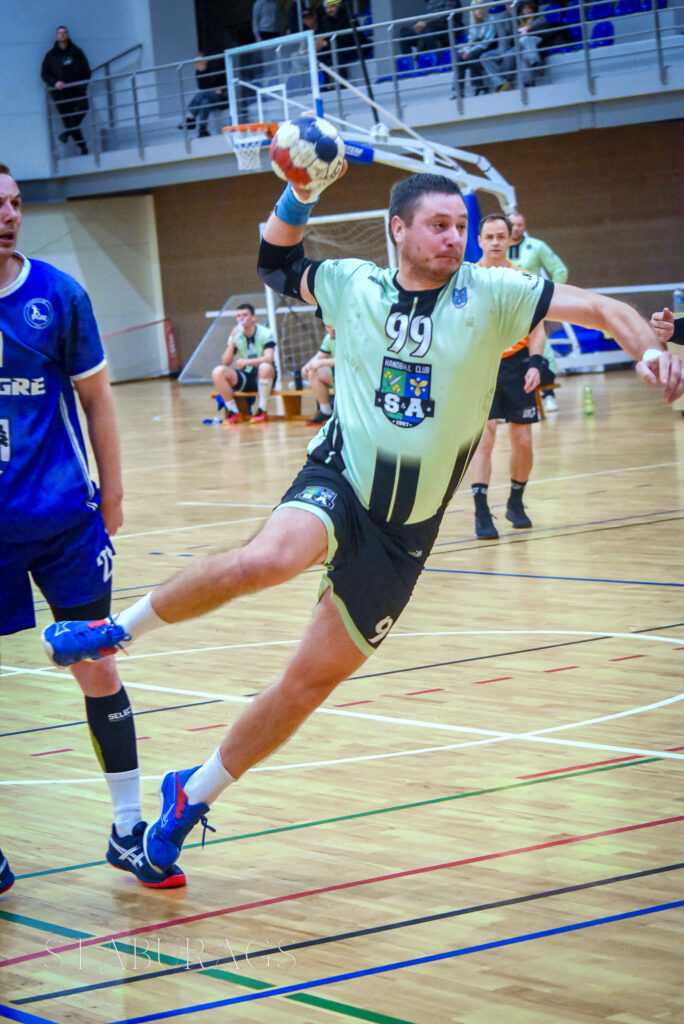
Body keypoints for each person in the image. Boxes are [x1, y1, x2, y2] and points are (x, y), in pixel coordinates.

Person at [42, 168, 684, 878]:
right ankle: (116, 630)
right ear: (398, 230)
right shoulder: (355, 285)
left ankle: (190, 797)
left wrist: (651, 351)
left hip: (404, 535)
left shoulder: (493, 293)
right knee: (269, 558)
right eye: (438, 225)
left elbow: (599, 307)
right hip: (341, 481)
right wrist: (299, 190)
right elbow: (275, 260)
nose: (454, 238)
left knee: (307, 684)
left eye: (461, 227)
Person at [0, 162, 184, 890]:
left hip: (63, 521)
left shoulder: (58, 296)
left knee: (98, 663)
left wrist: (113, 497)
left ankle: (127, 827)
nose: (9, 215)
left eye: (15, 203)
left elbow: (99, 400)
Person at [468, 213, 547, 539]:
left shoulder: (524, 279)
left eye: (501, 236)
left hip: (517, 366)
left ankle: (516, 502)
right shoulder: (467, 279)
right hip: (480, 365)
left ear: (510, 239)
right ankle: (481, 511)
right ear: (480, 241)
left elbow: (538, 327)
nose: (496, 242)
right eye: (490, 237)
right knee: (485, 436)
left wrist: (535, 363)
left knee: (523, 440)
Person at [509, 210, 568, 410]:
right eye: (512, 224)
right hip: (505, 308)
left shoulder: (536, 246)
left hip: (530, 305)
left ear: (524, 226)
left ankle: (548, 394)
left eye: (519, 224)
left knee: (541, 348)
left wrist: (548, 297)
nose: (515, 228)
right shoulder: (498, 248)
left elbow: (560, 270)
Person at [211, 303, 276, 424]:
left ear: (253, 318)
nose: (241, 318)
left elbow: (269, 358)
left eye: (245, 315)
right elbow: (225, 361)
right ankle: (233, 412)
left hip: (264, 376)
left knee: (265, 367)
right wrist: (232, 340)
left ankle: (262, 410)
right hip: (246, 376)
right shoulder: (236, 335)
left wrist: (247, 362)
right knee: (218, 371)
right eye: (238, 316)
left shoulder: (266, 333)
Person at [40, 25, 91, 155]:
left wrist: (82, 86)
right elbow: (44, 74)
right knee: (69, 120)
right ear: (56, 36)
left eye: (64, 32)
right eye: (59, 33)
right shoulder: (51, 55)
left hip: (77, 91)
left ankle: (67, 133)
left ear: (67, 35)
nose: (62, 35)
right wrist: (55, 82)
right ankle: (83, 147)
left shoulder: (77, 52)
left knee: (83, 108)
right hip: (60, 94)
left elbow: (86, 71)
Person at [179, 54, 228, 138]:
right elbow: (202, 87)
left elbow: (223, 80)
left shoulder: (214, 68)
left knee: (201, 94)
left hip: (220, 97)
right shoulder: (198, 72)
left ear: (205, 61)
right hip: (209, 98)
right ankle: (202, 130)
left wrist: (221, 88)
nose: (198, 64)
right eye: (196, 62)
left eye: (199, 61)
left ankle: (192, 117)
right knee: (205, 102)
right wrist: (202, 72)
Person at [454, 0, 497, 96]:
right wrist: (465, 50)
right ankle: (459, 91)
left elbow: (487, 41)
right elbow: (471, 40)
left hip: (489, 46)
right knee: (459, 58)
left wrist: (470, 51)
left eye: (481, 8)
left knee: (472, 56)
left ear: (485, 8)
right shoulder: (474, 22)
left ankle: (479, 86)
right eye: (476, 9)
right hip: (477, 46)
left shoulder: (492, 19)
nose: (479, 11)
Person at [302, 324, 336, 425]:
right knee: (313, 372)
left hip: (353, 379)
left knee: (318, 366)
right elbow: (319, 356)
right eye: (328, 326)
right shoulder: (329, 338)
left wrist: (321, 362)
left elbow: (344, 360)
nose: (332, 329)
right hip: (337, 378)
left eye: (333, 325)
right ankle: (326, 412)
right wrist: (307, 366)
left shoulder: (348, 337)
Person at [315, 0, 354, 84]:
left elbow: (347, 38)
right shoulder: (324, 20)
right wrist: (318, 42)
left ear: (338, 6)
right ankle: (325, 84)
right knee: (319, 55)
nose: (329, 10)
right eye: (326, 8)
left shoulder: (347, 16)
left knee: (338, 54)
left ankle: (342, 84)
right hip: (333, 47)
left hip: (351, 47)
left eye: (332, 7)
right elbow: (320, 34)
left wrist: (327, 43)